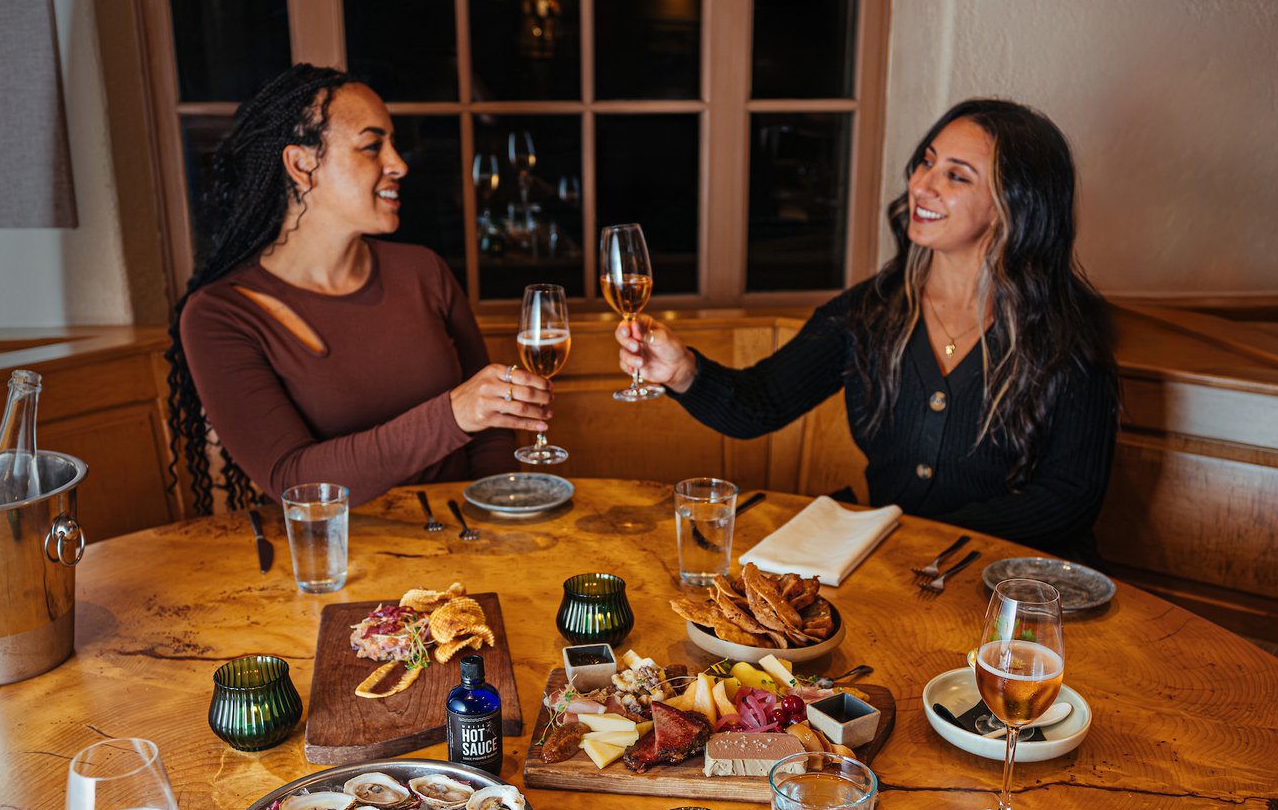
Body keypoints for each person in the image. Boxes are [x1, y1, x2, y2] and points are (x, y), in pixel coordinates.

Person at [617, 99, 1119, 562]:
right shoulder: (871, 312)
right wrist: (683, 372)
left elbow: (1068, 500)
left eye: (956, 176)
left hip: (1020, 599)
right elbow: (760, 402)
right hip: (902, 574)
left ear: (1015, 203)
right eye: (927, 161)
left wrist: (919, 535)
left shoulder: (1066, 336)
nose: (922, 185)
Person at [165, 64, 550, 515]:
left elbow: (492, 431)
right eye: (372, 146)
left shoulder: (423, 270)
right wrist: (452, 415)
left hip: (460, 540)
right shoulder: (220, 315)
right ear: (301, 164)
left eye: (393, 143)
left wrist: (494, 515)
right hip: (340, 564)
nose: (399, 164)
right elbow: (292, 479)